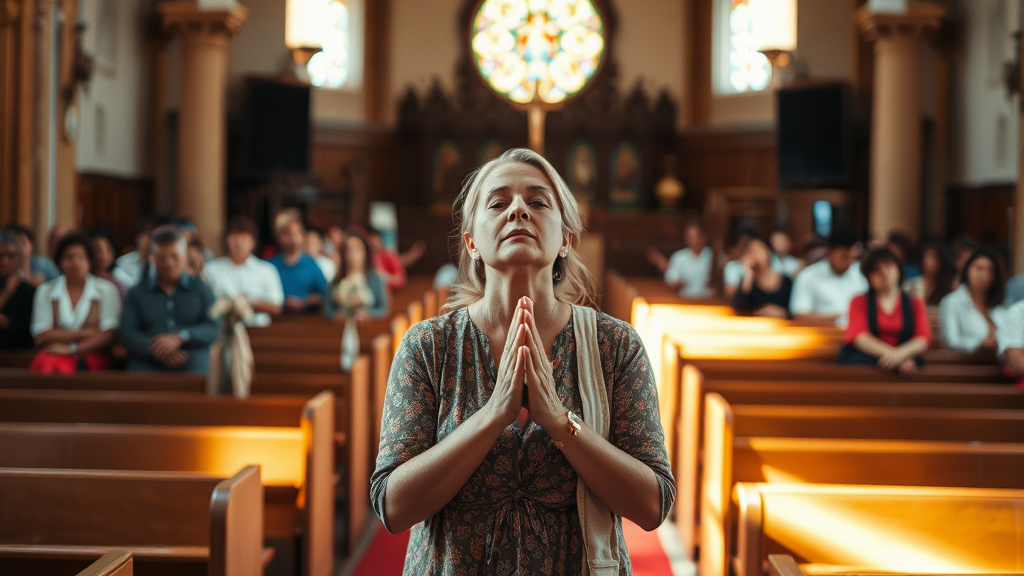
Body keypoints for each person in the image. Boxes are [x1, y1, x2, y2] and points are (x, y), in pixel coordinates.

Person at [370, 148, 674, 575]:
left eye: (537, 201)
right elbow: (393, 507)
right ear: (471, 241)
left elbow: (652, 504)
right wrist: (493, 415)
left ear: (567, 237)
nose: (518, 211)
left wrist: (559, 422)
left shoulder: (615, 345)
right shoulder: (428, 346)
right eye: (498, 203)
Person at [119, 227, 219, 373]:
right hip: (147, 363)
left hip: (192, 363)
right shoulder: (137, 292)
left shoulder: (200, 288)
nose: (168, 263)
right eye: (161, 257)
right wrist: (159, 349)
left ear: (184, 257)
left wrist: (182, 336)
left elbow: (215, 327)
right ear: (152, 259)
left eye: (174, 256)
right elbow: (127, 333)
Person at [29, 232, 121, 373]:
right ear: (59, 262)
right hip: (54, 353)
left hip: (93, 354)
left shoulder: (106, 290)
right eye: (69, 257)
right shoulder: (46, 290)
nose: (75, 262)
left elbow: (109, 334)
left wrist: (71, 348)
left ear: (90, 261)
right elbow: (41, 335)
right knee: (46, 366)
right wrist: (87, 333)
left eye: (81, 257)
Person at [838, 247, 930, 374]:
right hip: (866, 361)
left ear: (898, 268)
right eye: (877, 270)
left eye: (888, 266)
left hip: (904, 361)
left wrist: (900, 355)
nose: (884, 273)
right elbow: (859, 337)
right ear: (869, 277)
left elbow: (922, 339)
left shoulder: (914, 302)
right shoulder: (859, 301)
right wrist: (895, 356)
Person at [204, 215, 284, 327]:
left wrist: (245, 305)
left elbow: (276, 306)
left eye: (244, 239)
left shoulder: (266, 270)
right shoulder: (211, 269)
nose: (239, 243)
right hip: (220, 331)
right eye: (235, 238)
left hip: (257, 331)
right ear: (227, 240)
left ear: (253, 243)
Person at [789, 228, 868, 326]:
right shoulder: (808, 276)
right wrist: (841, 315)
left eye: (853, 257)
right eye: (844, 257)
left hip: (858, 335)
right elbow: (800, 315)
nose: (849, 262)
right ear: (829, 253)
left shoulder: (861, 274)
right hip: (822, 335)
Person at [939, 248, 1007, 353]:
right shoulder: (951, 302)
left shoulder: (999, 306)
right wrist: (979, 343)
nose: (984, 274)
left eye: (990, 270)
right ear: (967, 270)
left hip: (998, 363)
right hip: (965, 364)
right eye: (979, 268)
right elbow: (950, 341)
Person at [268, 210, 328, 314]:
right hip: (276, 320)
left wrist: (305, 301)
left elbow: (325, 294)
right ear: (280, 236)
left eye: (298, 233)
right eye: (288, 233)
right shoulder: (270, 265)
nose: (294, 238)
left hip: (304, 320)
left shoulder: (311, 265)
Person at [325, 232, 389, 322]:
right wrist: (336, 315)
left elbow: (383, 309)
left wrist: (369, 314)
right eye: (348, 250)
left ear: (365, 253)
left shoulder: (375, 278)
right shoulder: (336, 279)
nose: (352, 254)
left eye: (356, 249)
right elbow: (328, 310)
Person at [730, 235, 792, 318]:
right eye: (750, 251)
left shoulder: (786, 281)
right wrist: (748, 274)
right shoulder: (748, 281)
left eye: (758, 250)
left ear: (768, 252)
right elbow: (737, 307)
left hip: (783, 326)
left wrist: (782, 313)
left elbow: (796, 310)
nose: (755, 254)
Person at [646, 221, 712, 298]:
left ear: (703, 237)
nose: (690, 240)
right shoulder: (679, 257)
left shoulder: (713, 256)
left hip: (709, 300)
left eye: (694, 237)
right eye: (688, 237)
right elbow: (672, 279)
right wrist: (678, 282)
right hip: (685, 300)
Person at [0, 230, 36, 349]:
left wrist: (7, 322)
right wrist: (5, 294)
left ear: (19, 258)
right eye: (0, 256)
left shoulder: (29, 291)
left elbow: (31, 329)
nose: (5, 261)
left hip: (19, 353)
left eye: (11, 256)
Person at [903, 240, 953, 307]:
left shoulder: (947, 286)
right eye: (926, 256)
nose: (928, 261)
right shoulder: (911, 285)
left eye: (933, 257)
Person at [88, 226, 128, 300]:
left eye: (108, 250)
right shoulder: (86, 281)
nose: (103, 256)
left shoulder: (119, 284)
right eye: (97, 251)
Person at [367, 227, 407, 292]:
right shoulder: (366, 258)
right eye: (370, 238)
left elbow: (400, 279)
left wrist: (384, 277)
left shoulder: (388, 255)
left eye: (375, 238)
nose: (373, 242)